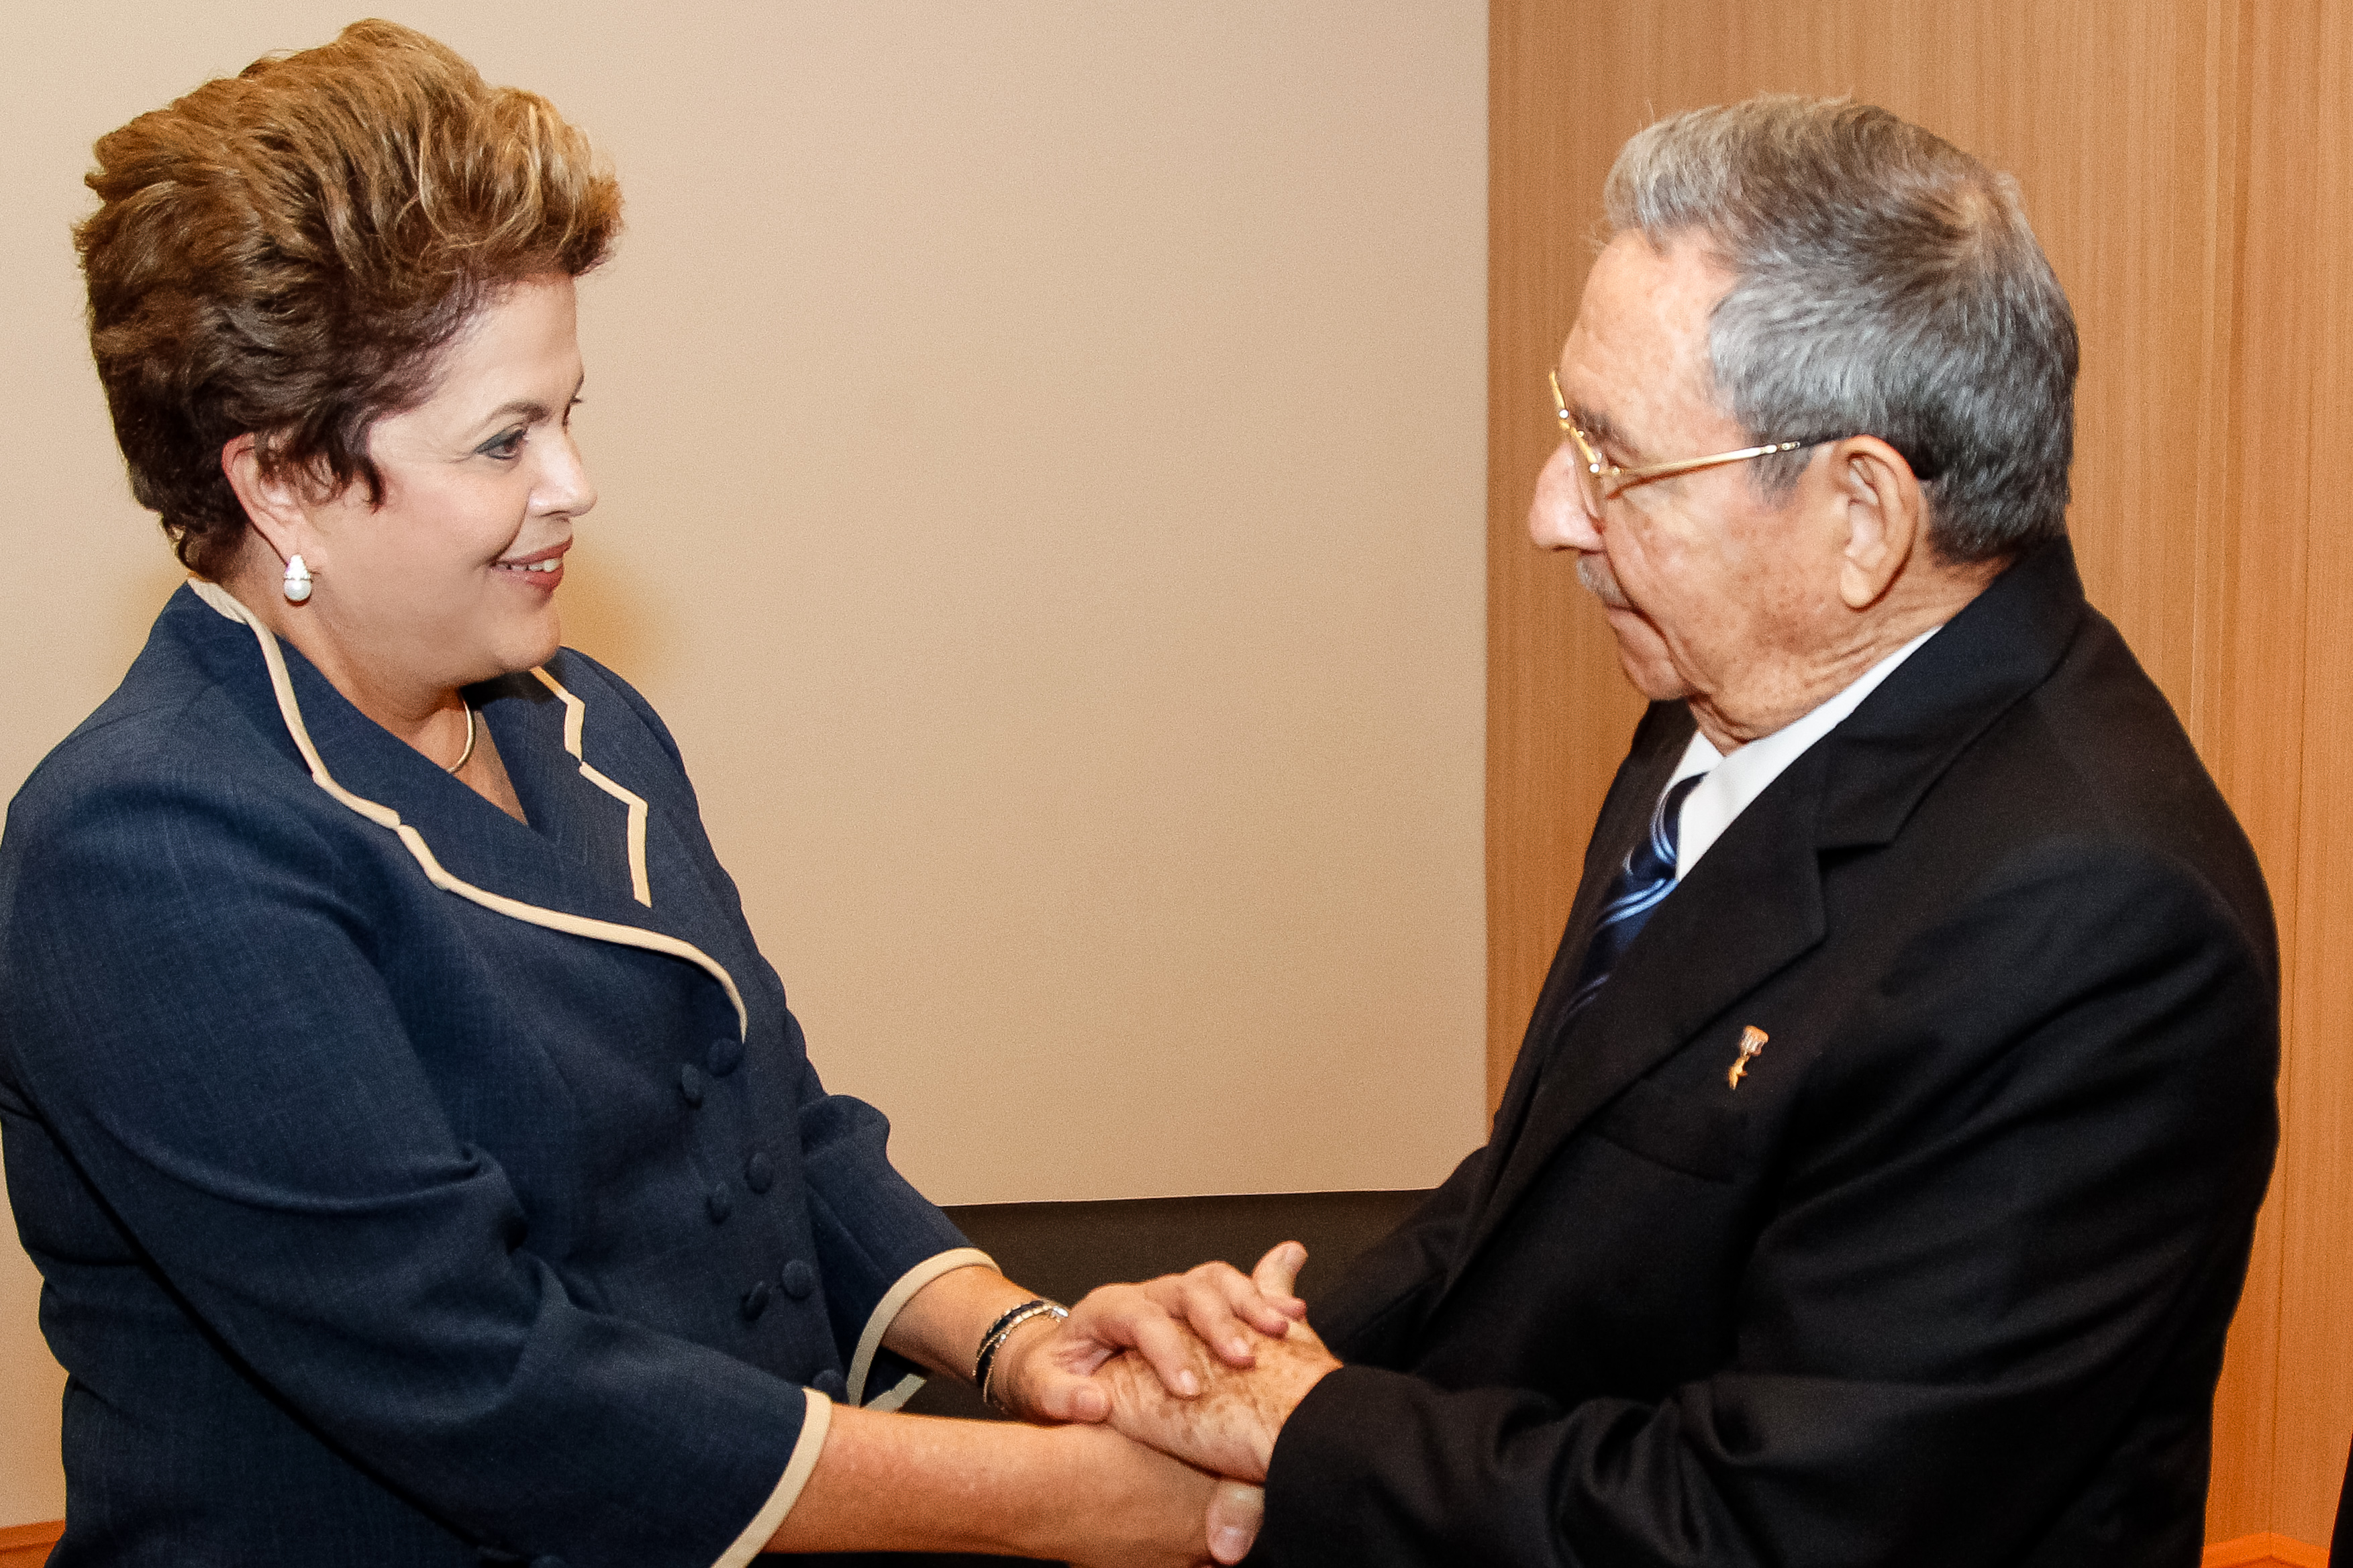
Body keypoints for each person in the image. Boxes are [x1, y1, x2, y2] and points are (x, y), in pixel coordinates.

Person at [0, 21, 1284, 1567]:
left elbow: (777, 1134)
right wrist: (1050, 1502)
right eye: (502, 439)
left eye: (569, 411)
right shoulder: (147, 845)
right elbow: (482, 1380)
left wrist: (1020, 1342)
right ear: (282, 478)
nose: (574, 485)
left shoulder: (577, 718)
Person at [1087, 96, 2281, 1567]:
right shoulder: (1730, 686)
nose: (1550, 512)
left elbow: (1774, 1525)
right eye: (1564, 424)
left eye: (1614, 456)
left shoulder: (2089, 923)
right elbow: (1563, 1180)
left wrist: (1306, 1424)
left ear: (1860, 515)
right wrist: (1257, 1347)